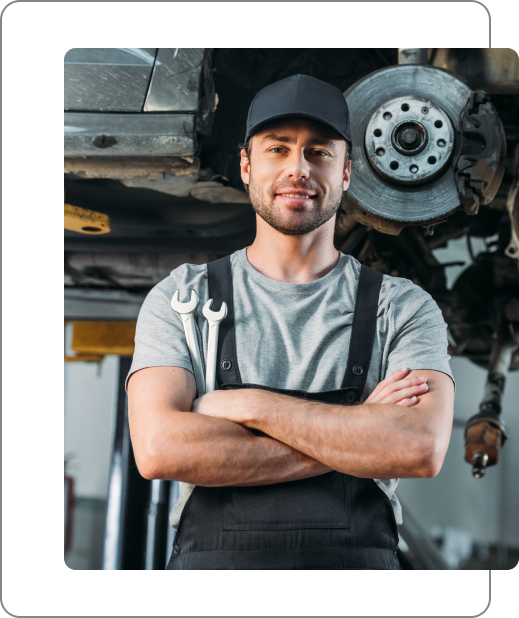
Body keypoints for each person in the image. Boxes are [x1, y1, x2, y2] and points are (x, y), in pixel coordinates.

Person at [127, 74, 455, 570]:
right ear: (245, 165)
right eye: (277, 150)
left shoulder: (403, 308)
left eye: (319, 152)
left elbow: (418, 448)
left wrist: (246, 405)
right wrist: (362, 432)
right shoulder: (181, 298)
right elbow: (158, 449)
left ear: (347, 172)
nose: (298, 169)